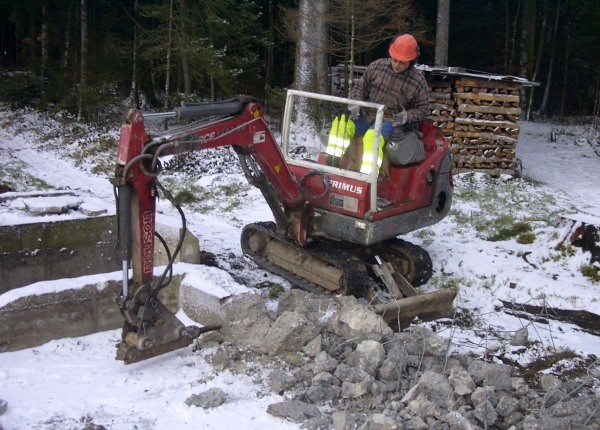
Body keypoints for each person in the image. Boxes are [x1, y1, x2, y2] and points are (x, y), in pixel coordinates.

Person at [341, 33, 429, 175]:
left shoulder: (418, 82)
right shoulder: (376, 66)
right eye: (394, 60)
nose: (397, 65)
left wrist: (406, 116)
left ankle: (369, 177)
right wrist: (355, 103)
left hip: (388, 121)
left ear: (412, 61)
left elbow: (423, 110)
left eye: (402, 62)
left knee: (372, 137)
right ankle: (333, 165)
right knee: (341, 127)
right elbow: (360, 87)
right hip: (366, 114)